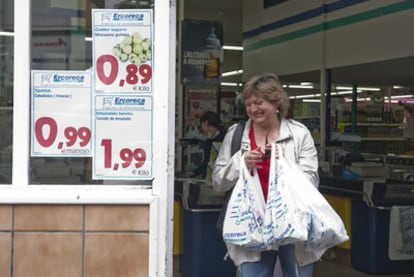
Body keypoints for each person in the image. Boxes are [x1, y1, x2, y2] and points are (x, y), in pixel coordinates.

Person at [212, 73, 319, 277]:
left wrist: (284, 165)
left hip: (293, 224)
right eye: (249, 104)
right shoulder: (236, 134)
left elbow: (312, 181)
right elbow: (217, 182)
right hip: (251, 225)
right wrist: (240, 163)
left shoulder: (299, 134)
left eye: (259, 102)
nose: (253, 109)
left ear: (276, 102)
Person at [185, 111, 226, 178]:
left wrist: (208, 140)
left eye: (202, 125)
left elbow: (208, 161)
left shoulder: (216, 140)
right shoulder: (223, 136)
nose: (202, 128)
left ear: (206, 123)